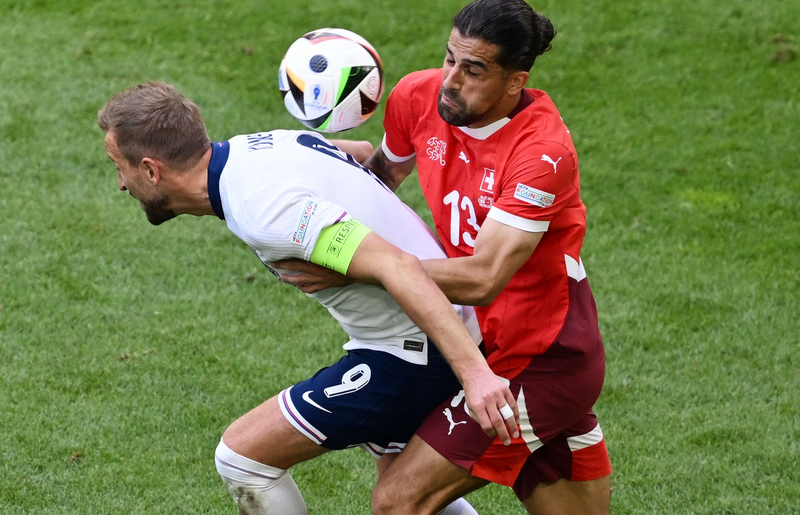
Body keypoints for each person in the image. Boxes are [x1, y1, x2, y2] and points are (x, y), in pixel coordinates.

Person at [96, 81, 519, 515]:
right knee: (405, 496)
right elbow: (355, 150)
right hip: (425, 332)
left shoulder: (264, 208)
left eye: (119, 167)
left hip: (417, 352)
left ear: (150, 170)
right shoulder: (261, 146)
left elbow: (399, 267)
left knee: (242, 458)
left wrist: (476, 376)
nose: (120, 185)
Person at [279, 0, 612, 514]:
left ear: (515, 81)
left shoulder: (541, 155)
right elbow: (382, 181)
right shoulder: (418, 97)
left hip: (541, 359)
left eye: (473, 69)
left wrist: (356, 270)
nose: (451, 79)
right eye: (450, 58)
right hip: (474, 340)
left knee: (398, 501)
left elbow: (483, 278)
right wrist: (310, 159)